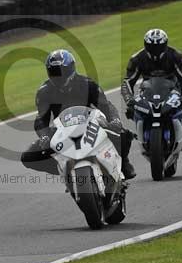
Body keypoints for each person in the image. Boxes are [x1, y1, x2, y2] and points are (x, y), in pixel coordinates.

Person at [20, 49, 136, 179]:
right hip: (61, 129)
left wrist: (114, 120)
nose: (57, 76)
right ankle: (63, 168)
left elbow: (106, 106)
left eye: (60, 71)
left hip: (90, 123)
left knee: (124, 134)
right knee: (28, 157)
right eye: (53, 72)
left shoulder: (88, 84)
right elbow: (41, 118)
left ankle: (124, 163)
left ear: (71, 69)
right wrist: (44, 136)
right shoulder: (44, 92)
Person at [121, 28, 182, 140]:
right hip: (148, 90)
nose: (155, 50)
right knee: (131, 110)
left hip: (172, 88)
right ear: (146, 45)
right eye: (151, 47)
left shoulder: (175, 56)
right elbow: (127, 81)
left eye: (158, 47)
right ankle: (142, 128)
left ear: (165, 45)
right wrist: (129, 100)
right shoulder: (137, 59)